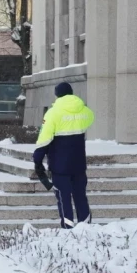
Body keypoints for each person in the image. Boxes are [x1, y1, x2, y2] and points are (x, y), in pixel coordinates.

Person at [33, 82, 95, 229]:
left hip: (60, 165)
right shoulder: (85, 111)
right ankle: (86, 227)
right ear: (71, 93)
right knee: (80, 196)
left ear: (57, 95)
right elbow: (90, 120)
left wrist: (37, 159)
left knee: (63, 197)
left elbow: (44, 139)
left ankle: (68, 228)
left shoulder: (52, 113)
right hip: (79, 163)